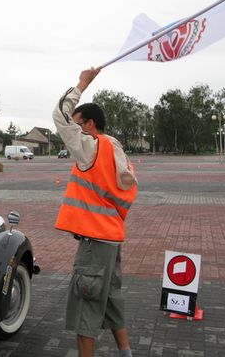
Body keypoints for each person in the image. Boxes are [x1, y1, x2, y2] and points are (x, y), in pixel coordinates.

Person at [52, 67, 138, 357]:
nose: (74, 131)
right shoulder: (117, 150)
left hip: (95, 244)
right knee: (112, 299)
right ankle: (126, 352)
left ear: (88, 125)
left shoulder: (92, 148)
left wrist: (82, 84)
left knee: (85, 310)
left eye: (79, 125)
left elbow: (59, 116)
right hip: (113, 239)